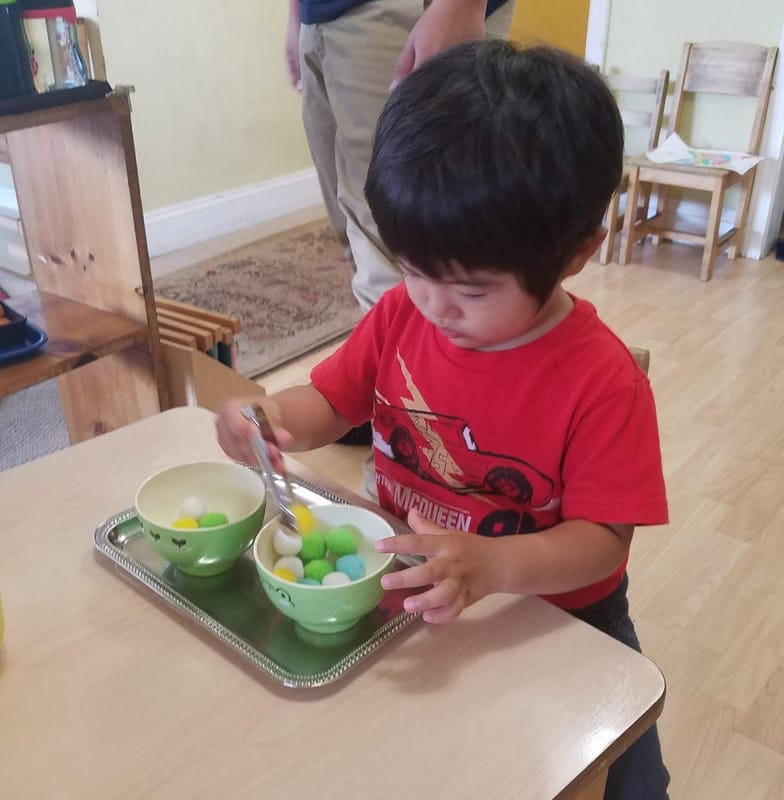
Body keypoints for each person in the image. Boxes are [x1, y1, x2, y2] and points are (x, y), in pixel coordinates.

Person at [218, 41, 670, 799]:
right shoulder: (401, 316)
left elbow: (601, 545)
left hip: (557, 614)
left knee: (623, 778)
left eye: (468, 287)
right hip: (410, 586)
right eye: (413, 268)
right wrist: (269, 418)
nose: (432, 303)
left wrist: (491, 565)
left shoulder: (602, 380)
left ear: (577, 252)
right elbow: (331, 402)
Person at [287, 0, 515, 313]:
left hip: (408, 11)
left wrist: (461, 5)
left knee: (401, 235)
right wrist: (298, 16)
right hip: (322, 16)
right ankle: (394, 351)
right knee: (360, 229)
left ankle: (405, 359)